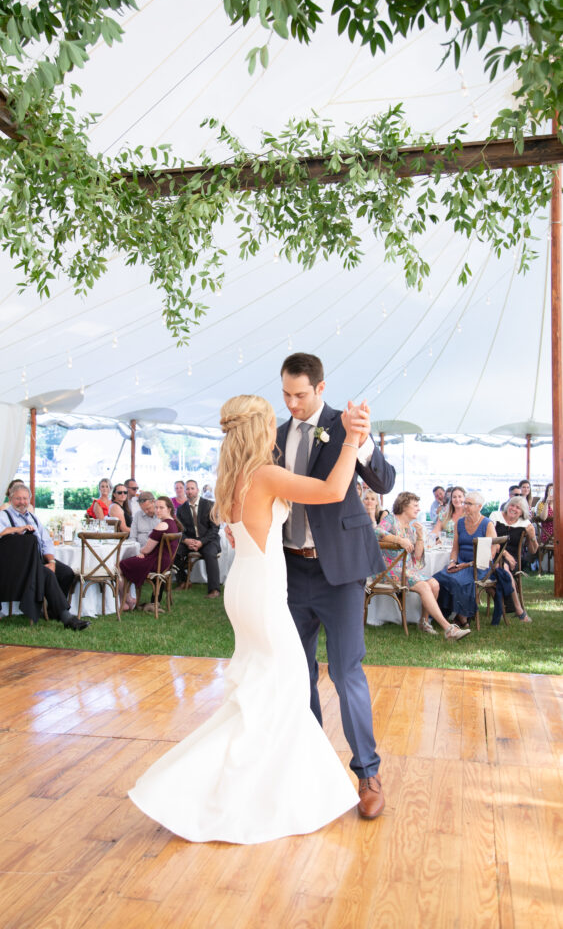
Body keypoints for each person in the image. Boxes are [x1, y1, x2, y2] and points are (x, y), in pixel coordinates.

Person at [129, 393, 370, 843]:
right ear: (259, 429)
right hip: (260, 591)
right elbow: (333, 492)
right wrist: (352, 441)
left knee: (271, 691)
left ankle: (284, 790)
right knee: (286, 687)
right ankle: (197, 789)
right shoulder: (265, 475)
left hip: (246, 587)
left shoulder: (233, 476)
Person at [276, 352, 395, 820]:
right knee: (297, 672)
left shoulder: (345, 427)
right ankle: (311, 767)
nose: (292, 404)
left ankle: (368, 773)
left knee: (347, 674)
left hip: (341, 571)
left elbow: (384, 481)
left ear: (320, 389)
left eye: (300, 394)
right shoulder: (276, 435)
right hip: (288, 570)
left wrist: (361, 441)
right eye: (285, 393)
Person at [0, 484, 88, 630]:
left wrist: (51, 561)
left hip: (37, 559)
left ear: (30, 500)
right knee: (47, 575)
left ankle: (52, 610)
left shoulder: (33, 518)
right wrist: (16, 529)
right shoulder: (3, 516)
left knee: (66, 573)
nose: (22, 502)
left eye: (25, 498)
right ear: (10, 499)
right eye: (18, 498)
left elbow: (46, 542)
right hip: (17, 565)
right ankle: (67, 617)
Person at [375, 492, 470, 639]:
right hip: (389, 572)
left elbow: (417, 557)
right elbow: (376, 531)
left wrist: (419, 536)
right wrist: (399, 540)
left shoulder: (410, 528)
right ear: (404, 505)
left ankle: (424, 622)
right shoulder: (391, 519)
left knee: (434, 584)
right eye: (415, 505)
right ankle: (449, 629)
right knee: (425, 586)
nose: (418, 509)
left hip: (406, 571)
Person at [434, 491, 530, 625]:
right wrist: (452, 562)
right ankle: (444, 614)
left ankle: (463, 616)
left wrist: (467, 565)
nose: (465, 506)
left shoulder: (487, 524)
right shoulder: (460, 523)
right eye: (464, 503)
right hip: (460, 563)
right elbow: (455, 548)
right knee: (439, 577)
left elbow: (490, 555)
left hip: (480, 566)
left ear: (479, 507)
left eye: (469, 504)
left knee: (460, 580)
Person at [119, 497, 181, 612]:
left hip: (156, 562)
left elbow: (147, 549)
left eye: (161, 508)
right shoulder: (172, 523)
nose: (158, 510)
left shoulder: (163, 525)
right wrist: (144, 553)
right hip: (164, 562)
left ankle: (127, 600)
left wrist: (142, 552)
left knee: (120, 566)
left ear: (169, 509)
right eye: (156, 507)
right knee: (128, 562)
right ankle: (129, 599)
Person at [174, 479, 222, 598]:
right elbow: (179, 530)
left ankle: (214, 589)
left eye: (192, 488)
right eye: (187, 489)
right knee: (174, 550)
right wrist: (185, 540)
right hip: (190, 541)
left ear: (197, 490)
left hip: (208, 540)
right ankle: (184, 581)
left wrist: (201, 542)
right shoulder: (181, 509)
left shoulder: (210, 505)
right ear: (185, 491)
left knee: (210, 554)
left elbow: (215, 529)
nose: (189, 491)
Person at [494, 496, 539, 597]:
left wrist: (532, 537)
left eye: (518, 507)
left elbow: (533, 551)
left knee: (503, 566)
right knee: (502, 566)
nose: (513, 509)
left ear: (522, 512)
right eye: (512, 505)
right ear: (507, 506)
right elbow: (492, 541)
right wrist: (505, 554)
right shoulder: (496, 516)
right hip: (494, 554)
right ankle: (514, 605)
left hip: (513, 559)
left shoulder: (525, 523)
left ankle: (508, 605)